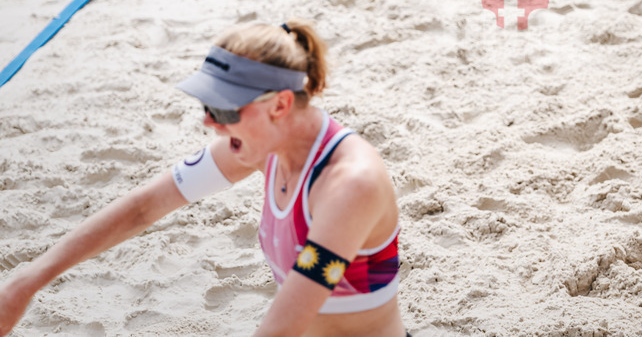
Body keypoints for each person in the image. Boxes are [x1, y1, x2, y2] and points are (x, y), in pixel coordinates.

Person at [0, 20, 408, 337]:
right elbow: (143, 208)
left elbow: (285, 325)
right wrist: (25, 282)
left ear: (280, 105)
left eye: (225, 109)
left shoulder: (350, 185)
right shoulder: (265, 146)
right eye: (206, 104)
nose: (210, 122)